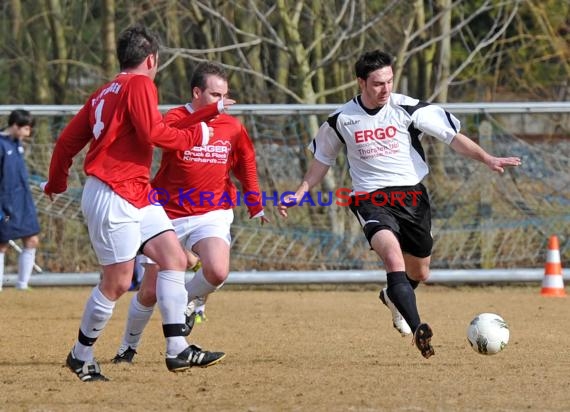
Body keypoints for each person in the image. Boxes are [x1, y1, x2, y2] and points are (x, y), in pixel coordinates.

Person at [277, 50, 521, 359]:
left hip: (412, 199)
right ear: (361, 82)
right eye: (378, 83)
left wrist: (487, 158)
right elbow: (322, 159)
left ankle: (392, 297)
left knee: (419, 272)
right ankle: (419, 328)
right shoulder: (342, 119)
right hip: (371, 200)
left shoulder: (408, 108)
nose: (386, 89)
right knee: (393, 258)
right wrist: (300, 191)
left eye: (390, 81)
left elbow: (452, 137)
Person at [42, 24, 226, 382]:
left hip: (135, 191)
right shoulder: (141, 84)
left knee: (173, 258)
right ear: (152, 59)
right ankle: (80, 355)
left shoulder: (103, 92)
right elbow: (154, 133)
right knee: (116, 282)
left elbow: (66, 141)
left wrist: (57, 181)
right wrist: (197, 133)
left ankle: (177, 349)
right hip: (114, 192)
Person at [112, 61, 268, 363]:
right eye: (214, 95)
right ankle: (127, 348)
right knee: (149, 292)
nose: (222, 102)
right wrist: (207, 116)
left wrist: (255, 202)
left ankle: (183, 302)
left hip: (212, 211)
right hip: (167, 213)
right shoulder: (175, 118)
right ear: (196, 92)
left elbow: (245, 162)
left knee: (218, 270)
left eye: (225, 95)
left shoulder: (233, 126)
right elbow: (161, 135)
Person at [0, 110, 40, 291]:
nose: (28, 133)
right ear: (14, 125)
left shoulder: (18, 144)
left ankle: (22, 285)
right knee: (2, 243)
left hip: (23, 201)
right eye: (25, 128)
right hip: (4, 202)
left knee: (32, 239)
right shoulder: (1, 144)